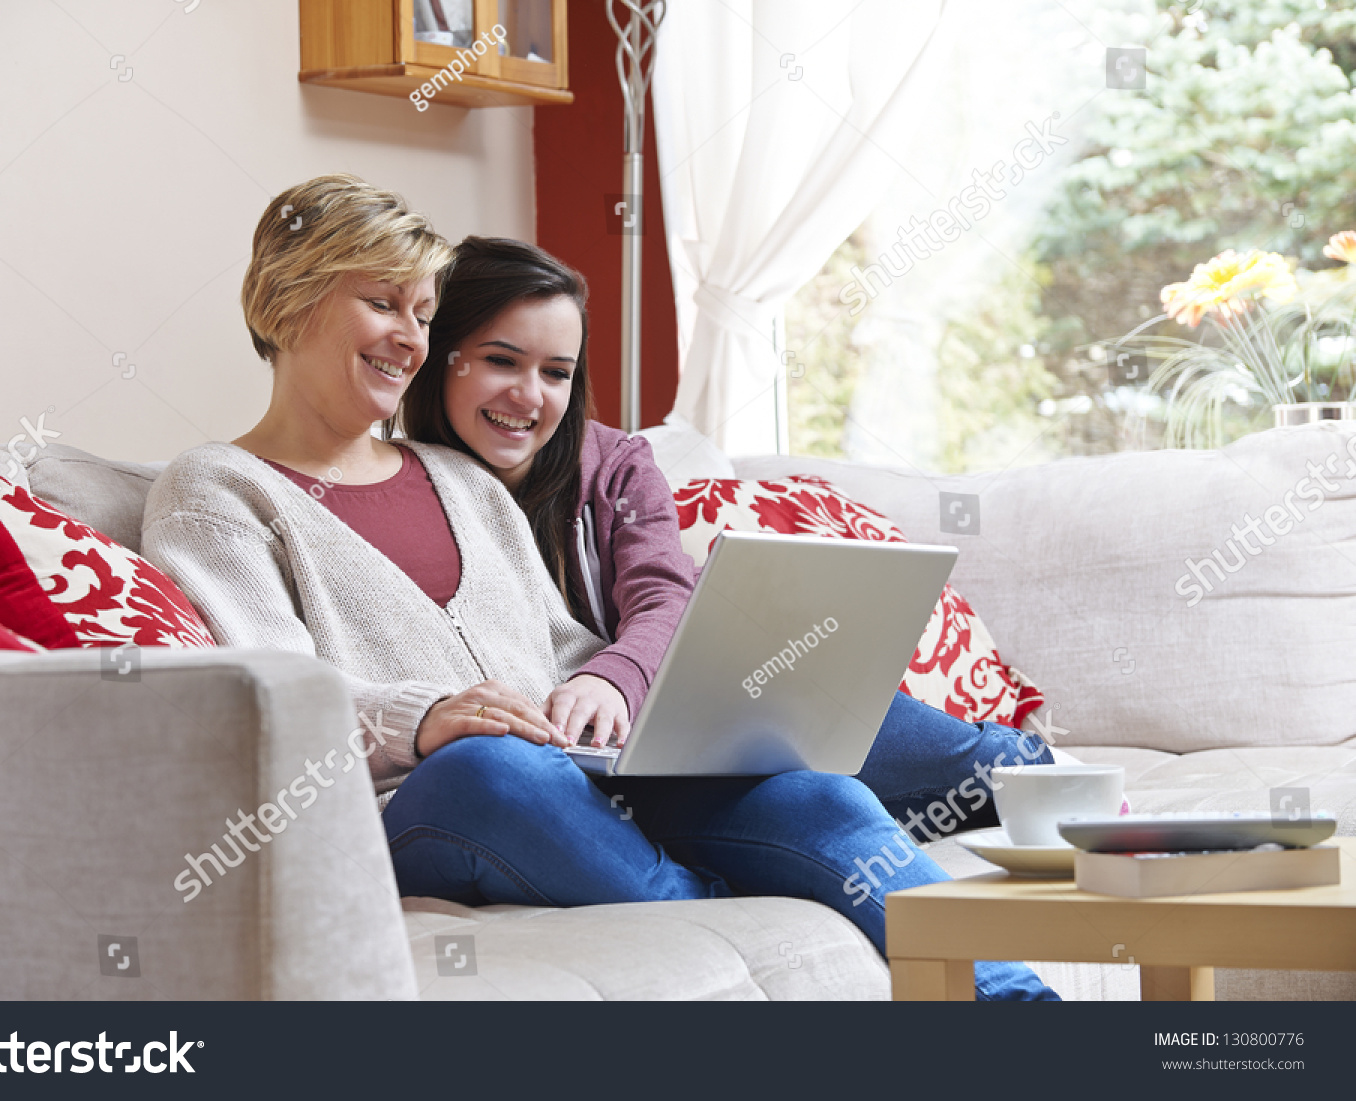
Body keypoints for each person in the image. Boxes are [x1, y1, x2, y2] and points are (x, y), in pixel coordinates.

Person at [143, 178, 1057, 999]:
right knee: (489, 767)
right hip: (424, 794)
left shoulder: (458, 478)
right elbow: (270, 694)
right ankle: (701, 892)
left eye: (422, 312)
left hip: (580, 772)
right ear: (289, 300)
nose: (410, 338)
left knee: (811, 791)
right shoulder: (218, 489)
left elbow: (560, 641)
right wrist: (429, 717)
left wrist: (637, 708)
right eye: (383, 304)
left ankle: (1020, 1006)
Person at [399, 236, 1057, 837]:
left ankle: (1040, 771)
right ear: (438, 357)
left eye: (556, 372)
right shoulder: (398, 489)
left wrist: (614, 679)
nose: (529, 395)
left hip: (672, 713)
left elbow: (662, 596)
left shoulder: (616, 466)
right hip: (583, 768)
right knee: (834, 792)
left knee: (842, 717)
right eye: (500, 360)